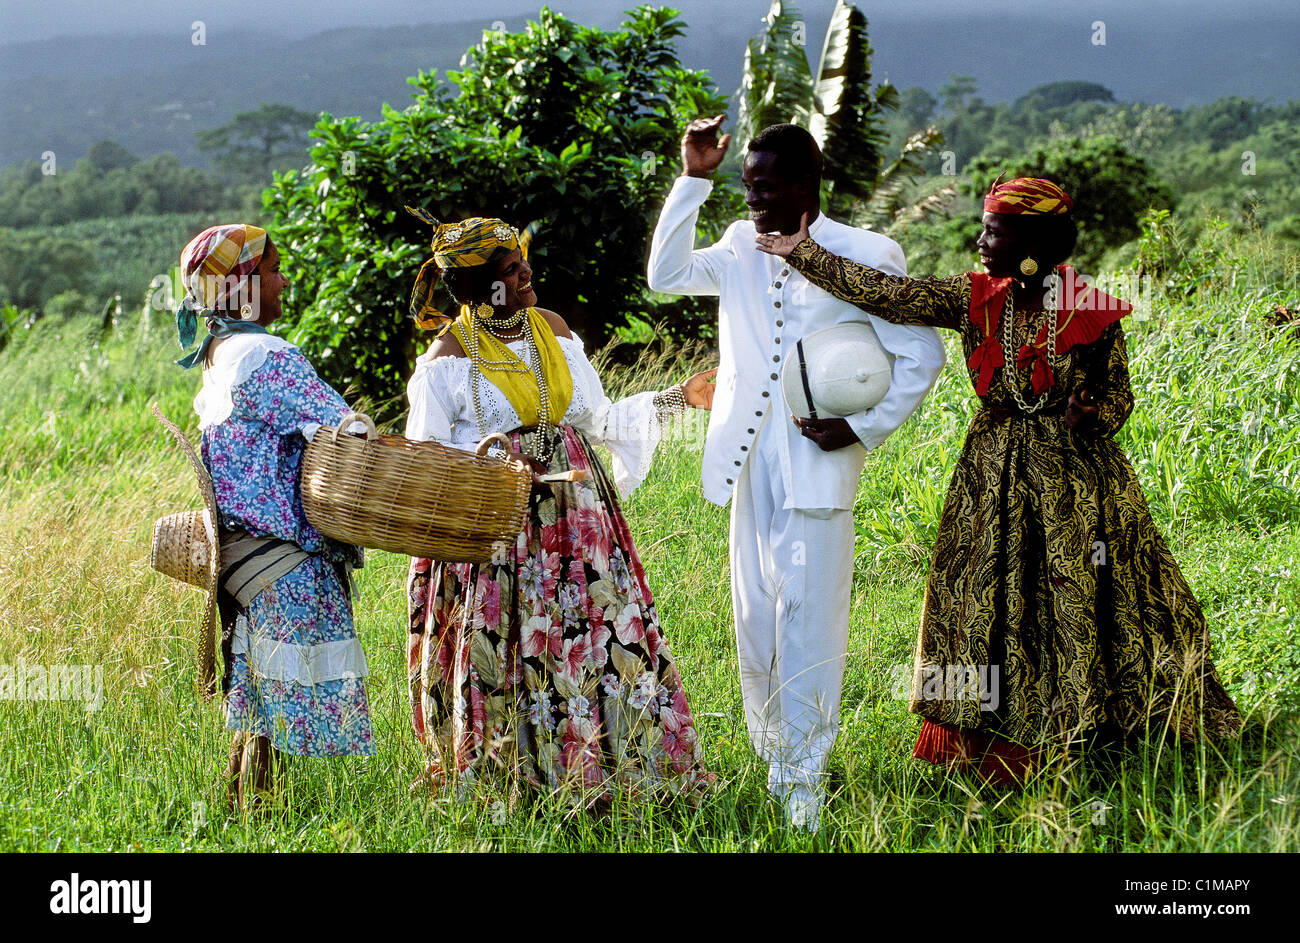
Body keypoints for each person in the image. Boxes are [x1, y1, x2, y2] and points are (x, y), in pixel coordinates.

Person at [755, 177, 1244, 784]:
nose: (980, 240)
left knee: (1074, 593)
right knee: (979, 596)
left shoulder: (1088, 308)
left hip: (1074, 480)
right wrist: (803, 252)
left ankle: (1090, 725)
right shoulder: (976, 298)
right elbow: (891, 296)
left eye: (995, 229)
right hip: (990, 470)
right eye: (983, 226)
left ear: (1034, 241)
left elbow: (1119, 397)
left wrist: (1094, 414)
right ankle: (980, 732)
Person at [647, 119, 947, 829]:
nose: (754, 199)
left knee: (809, 620)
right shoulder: (738, 247)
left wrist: (862, 428)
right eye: (748, 186)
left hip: (819, 460)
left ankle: (804, 780)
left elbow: (922, 355)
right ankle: (773, 756)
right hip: (748, 462)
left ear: (807, 187)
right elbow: (663, 276)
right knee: (754, 621)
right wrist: (692, 177)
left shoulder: (868, 252)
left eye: (768, 187)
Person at [402, 210, 715, 802]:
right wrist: (495, 461)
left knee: (600, 636)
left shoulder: (554, 330)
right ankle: (520, 786)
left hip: (578, 524)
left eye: (523, 262)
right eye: (509, 270)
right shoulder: (445, 361)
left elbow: (595, 422)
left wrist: (678, 398)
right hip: (497, 532)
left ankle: (617, 777)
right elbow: (429, 463)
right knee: (513, 650)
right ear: (471, 288)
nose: (526, 275)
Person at [175, 224, 375, 811]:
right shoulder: (266, 354)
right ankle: (258, 814)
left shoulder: (217, 357)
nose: (283, 279)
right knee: (271, 695)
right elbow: (347, 429)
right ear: (240, 287)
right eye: (270, 270)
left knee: (257, 693)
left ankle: (248, 811)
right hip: (281, 553)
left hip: (240, 554)